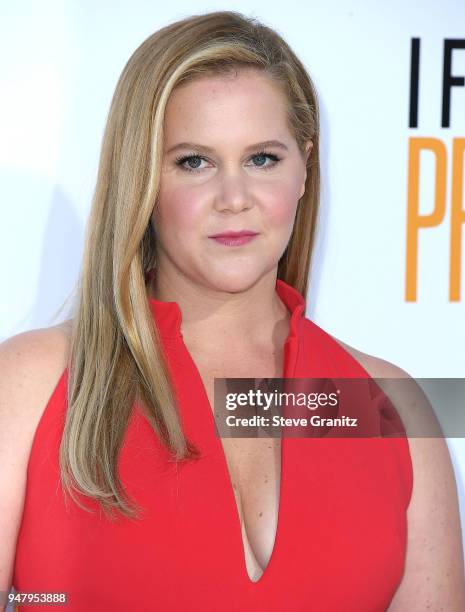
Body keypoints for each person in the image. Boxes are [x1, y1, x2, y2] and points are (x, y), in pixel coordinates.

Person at [1, 9, 464, 612]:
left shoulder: (388, 407)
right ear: (140, 177)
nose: (234, 199)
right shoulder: (33, 384)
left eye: (263, 159)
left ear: (305, 166)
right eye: (194, 161)